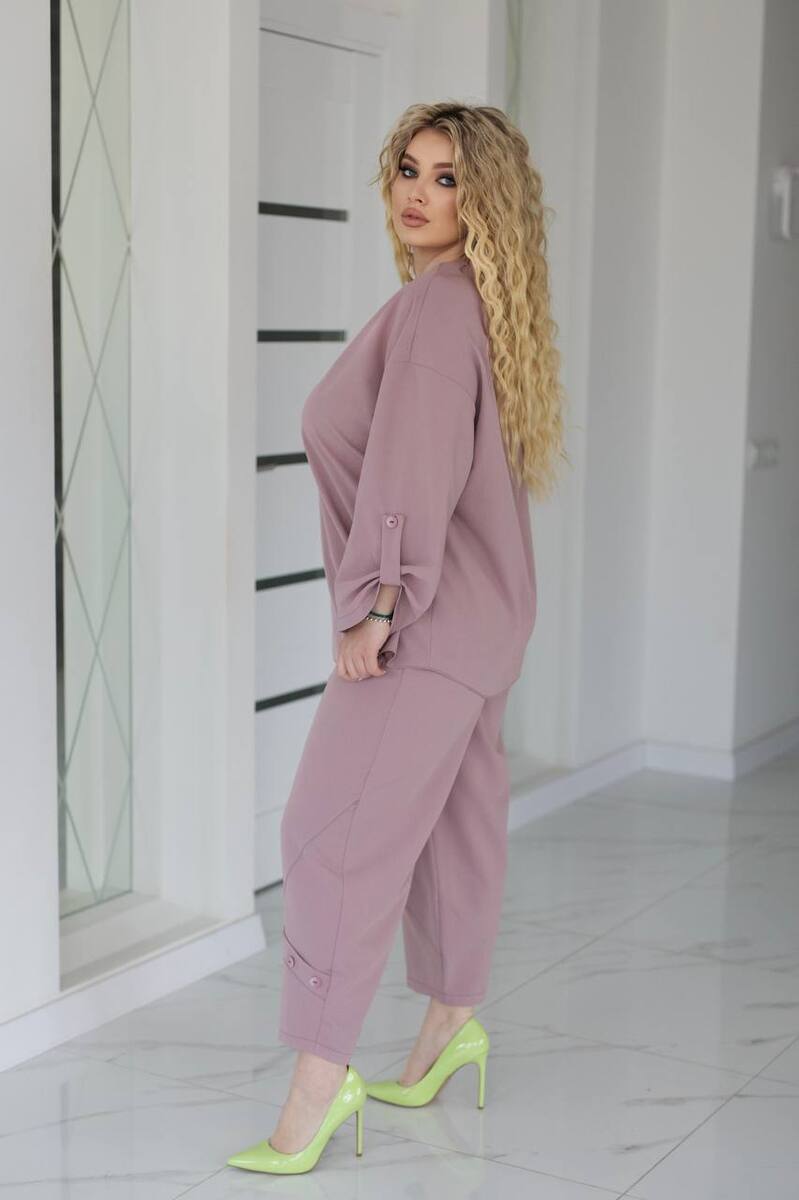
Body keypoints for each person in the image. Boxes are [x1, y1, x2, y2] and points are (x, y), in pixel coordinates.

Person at [228, 100, 568, 1175]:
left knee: (327, 835)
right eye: (408, 170)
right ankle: (450, 1023)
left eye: (447, 177)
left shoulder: (435, 310)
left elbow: (412, 469)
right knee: (457, 825)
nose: (418, 193)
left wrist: (377, 606)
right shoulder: (475, 305)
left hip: (424, 623)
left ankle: (316, 1089)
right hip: (488, 617)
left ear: (485, 200)